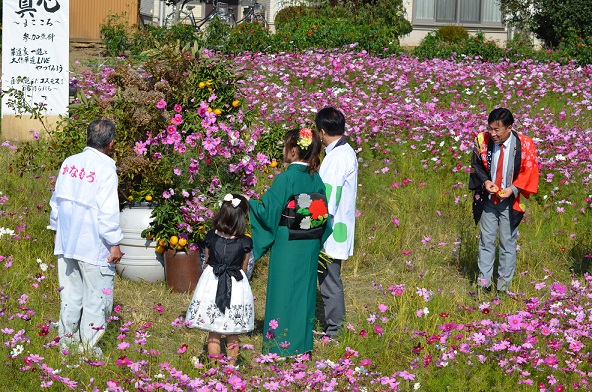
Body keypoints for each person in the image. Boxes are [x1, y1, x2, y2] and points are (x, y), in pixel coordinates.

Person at [247, 128, 330, 356]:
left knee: (282, 292)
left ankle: (279, 348)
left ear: (293, 151)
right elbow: (323, 219)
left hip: (288, 241)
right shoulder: (316, 178)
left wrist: (249, 203)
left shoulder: (286, 177)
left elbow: (267, 211)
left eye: (285, 146)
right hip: (310, 241)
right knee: (303, 292)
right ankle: (301, 346)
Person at [49, 119, 124, 357]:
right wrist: (114, 244)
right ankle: (90, 349)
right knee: (96, 297)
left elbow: (56, 201)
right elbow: (108, 211)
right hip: (93, 245)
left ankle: (66, 343)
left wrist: (56, 230)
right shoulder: (106, 169)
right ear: (112, 144)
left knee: (70, 295)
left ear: (86, 138)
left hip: (66, 241)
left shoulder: (70, 162)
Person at [469, 108, 539, 295]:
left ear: (509, 128)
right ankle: (484, 283)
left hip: (511, 200)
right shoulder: (482, 140)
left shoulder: (525, 144)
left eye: (497, 130)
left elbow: (529, 171)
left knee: (507, 242)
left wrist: (513, 189)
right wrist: (486, 182)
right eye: (490, 128)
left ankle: (503, 286)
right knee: (486, 240)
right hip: (489, 199)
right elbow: (476, 165)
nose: (493, 134)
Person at [185, 193, 254, 363]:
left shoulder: (211, 237)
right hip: (235, 283)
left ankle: (214, 367)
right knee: (233, 331)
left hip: (212, 281)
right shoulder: (245, 242)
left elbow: (207, 262)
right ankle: (231, 367)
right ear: (242, 218)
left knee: (213, 330)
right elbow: (244, 268)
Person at [315, 107, 358, 338]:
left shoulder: (337, 157)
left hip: (331, 228)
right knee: (329, 278)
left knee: (330, 280)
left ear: (322, 132)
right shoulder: (344, 152)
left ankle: (335, 331)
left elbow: (327, 199)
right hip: (337, 226)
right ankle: (334, 327)